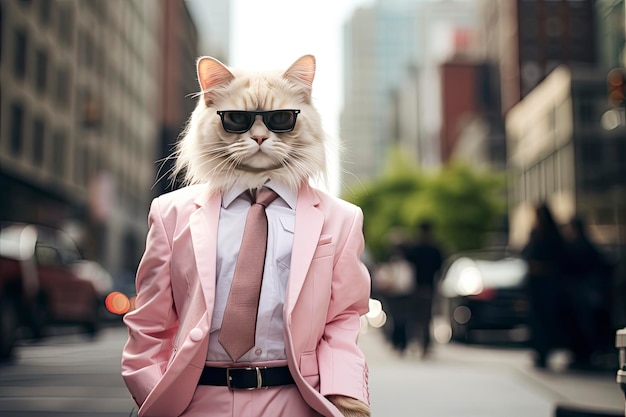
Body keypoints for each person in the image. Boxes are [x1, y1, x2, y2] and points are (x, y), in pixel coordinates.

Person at [121, 55, 371, 417]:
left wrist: (347, 400)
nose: (258, 135)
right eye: (236, 120)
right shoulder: (169, 212)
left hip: (297, 398)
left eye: (281, 120)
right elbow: (150, 323)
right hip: (196, 401)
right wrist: (153, 394)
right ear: (208, 113)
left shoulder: (342, 219)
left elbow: (342, 319)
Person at [561, 216, 614, 369]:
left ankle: (585, 353)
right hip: (582, 291)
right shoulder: (582, 245)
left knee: (583, 323)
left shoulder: (580, 246)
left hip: (582, 292)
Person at [521, 203, 565, 369]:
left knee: (547, 318)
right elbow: (525, 253)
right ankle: (539, 350)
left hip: (548, 283)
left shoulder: (552, 235)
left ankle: (546, 349)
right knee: (536, 318)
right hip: (536, 284)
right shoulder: (535, 234)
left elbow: (560, 257)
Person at [401, 221, 443, 357]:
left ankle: (415, 343)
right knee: (426, 317)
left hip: (417, 287)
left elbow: (407, 259)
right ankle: (425, 345)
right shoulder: (435, 248)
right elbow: (440, 267)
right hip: (429, 286)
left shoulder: (416, 247)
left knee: (415, 317)